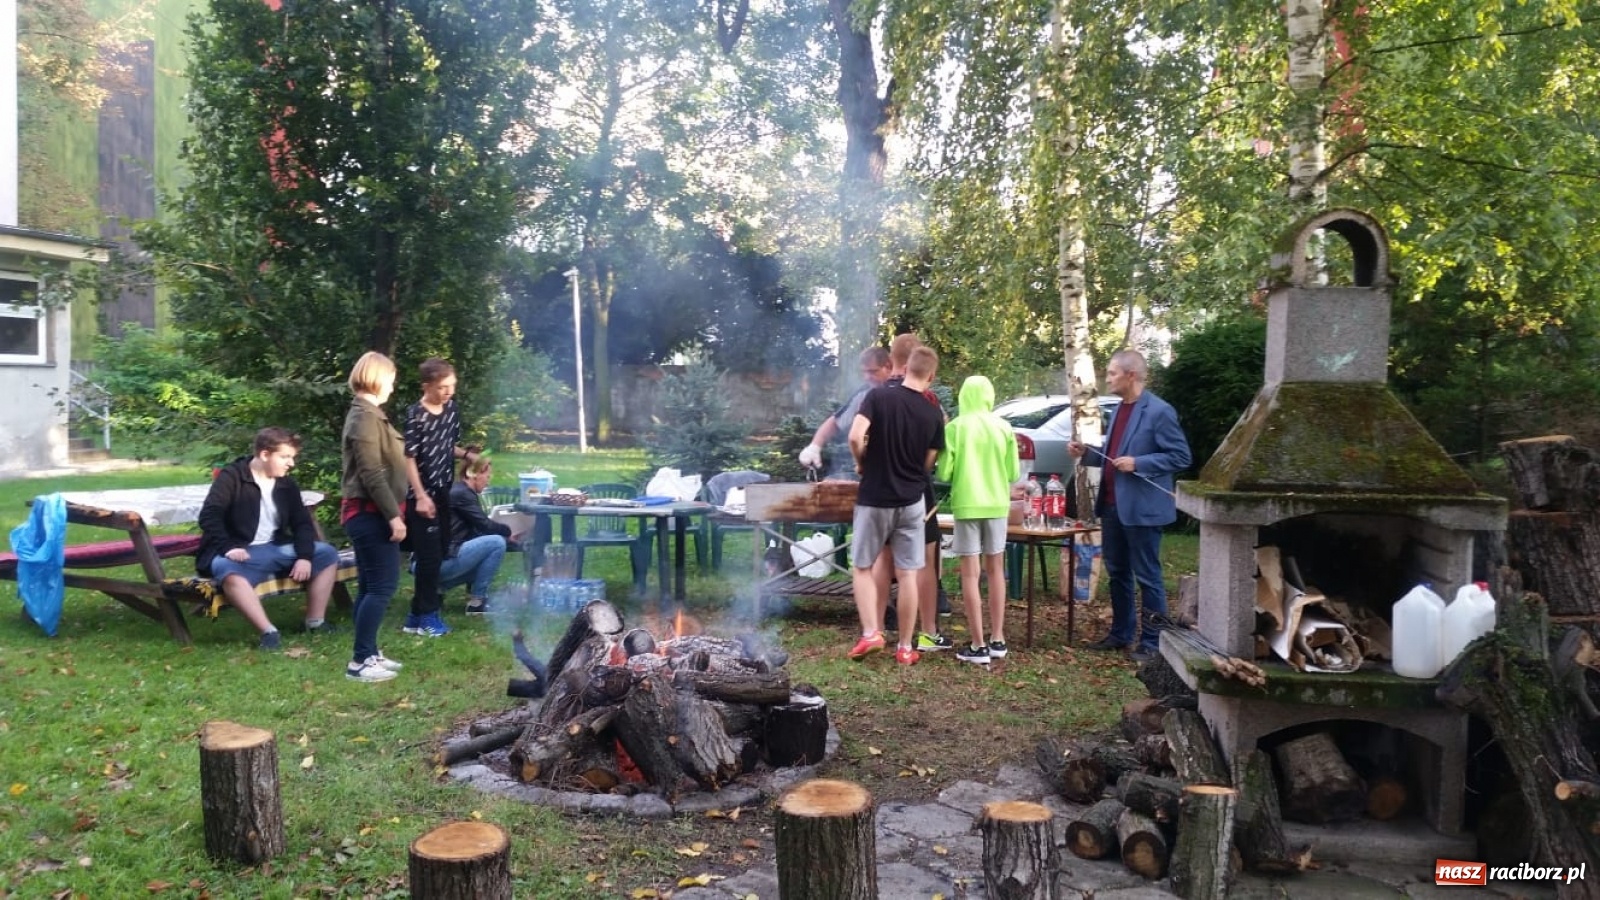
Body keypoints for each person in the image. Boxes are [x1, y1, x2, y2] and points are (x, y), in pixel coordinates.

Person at [1068, 349, 1192, 663]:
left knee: (1148, 576)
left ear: (1130, 375)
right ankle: (1121, 633)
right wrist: (1086, 452)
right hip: (1112, 506)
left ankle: (1153, 642)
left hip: (1143, 509)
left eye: (1111, 373)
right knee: (1119, 573)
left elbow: (1181, 456)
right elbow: (1114, 457)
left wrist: (1140, 462)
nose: (1107, 379)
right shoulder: (1119, 410)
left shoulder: (1159, 411)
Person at [196, 426, 343, 651]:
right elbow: (209, 516)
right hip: (240, 551)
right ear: (265, 454)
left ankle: (315, 622)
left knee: (327, 554)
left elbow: (302, 523)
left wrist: (304, 556)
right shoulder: (233, 477)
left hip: (275, 547)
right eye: (285, 457)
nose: (291, 463)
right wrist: (227, 547)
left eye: (292, 457)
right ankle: (268, 632)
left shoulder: (286, 484)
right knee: (228, 571)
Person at [845, 345, 945, 665]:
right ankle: (904, 647)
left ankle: (871, 632)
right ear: (931, 375)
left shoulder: (877, 397)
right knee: (908, 574)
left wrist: (862, 463)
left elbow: (854, 436)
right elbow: (929, 462)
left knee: (862, 566)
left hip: (874, 497)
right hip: (912, 502)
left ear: (905, 369)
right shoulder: (932, 413)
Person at [935, 375, 1020, 665]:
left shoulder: (955, 427)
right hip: (997, 504)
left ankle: (978, 644)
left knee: (970, 573)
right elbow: (1012, 474)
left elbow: (943, 473)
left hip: (967, 505)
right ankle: (998, 638)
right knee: (996, 570)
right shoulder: (1004, 427)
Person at [341, 351, 409, 683]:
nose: (393, 387)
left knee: (370, 586)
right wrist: (394, 516)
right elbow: (371, 473)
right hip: (370, 515)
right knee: (382, 586)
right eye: (392, 380)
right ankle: (359, 662)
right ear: (379, 378)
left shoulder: (370, 414)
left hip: (374, 514)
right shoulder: (364, 416)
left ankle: (368, 652)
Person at [401, 358, 480, 637]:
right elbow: (409, 458)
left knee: (442, 551)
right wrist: (421, 496)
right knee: (429, 558)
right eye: (443, 387)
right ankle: (427, 616)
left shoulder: (451, 410)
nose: (449, 392)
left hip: (444, 491)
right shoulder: (415, 414)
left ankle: (414, 615)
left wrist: (468, 455)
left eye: (452, 386)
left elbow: (447, 445)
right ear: (427, 386)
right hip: (422, 495)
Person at [439, 455, 520, 614]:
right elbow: (485, 524)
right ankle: (477, 602)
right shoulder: (462, 494)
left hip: (434, 559)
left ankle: (437, 588)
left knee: (489, 552)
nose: (488, 481)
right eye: (487, 476)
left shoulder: (458, 490)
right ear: (473, 474)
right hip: (441, 560)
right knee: (496, 543)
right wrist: (508, 531)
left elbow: (477, 529)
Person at [798, 347, 891, 475]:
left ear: (888, 366)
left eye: (873, 371)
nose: (867, 377)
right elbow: (836, 422)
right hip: (875, 472)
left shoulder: (906, 391)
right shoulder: (864, 394)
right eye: (864, 372)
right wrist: (815, 446)